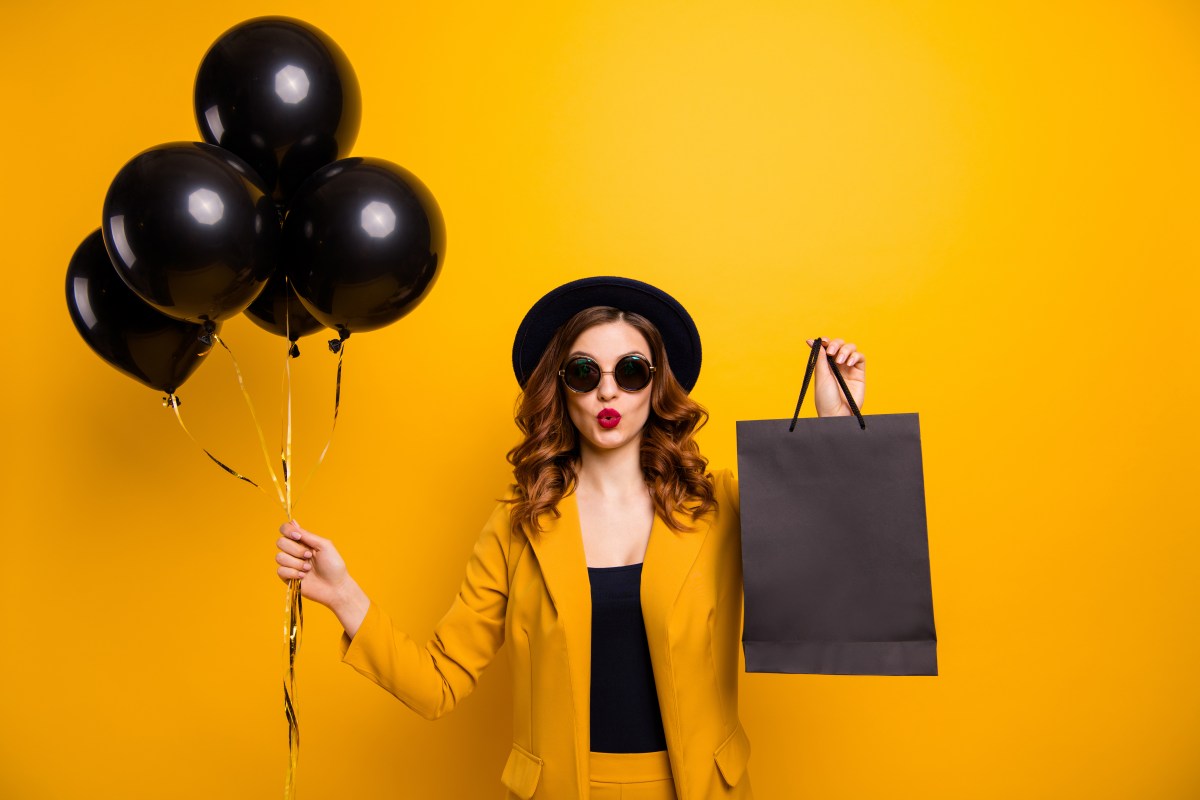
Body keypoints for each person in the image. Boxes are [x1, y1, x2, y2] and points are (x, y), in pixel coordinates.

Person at [274, 276, 866, 800]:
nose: (608, 392)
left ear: (656, 388)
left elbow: (828, 570)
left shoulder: (719, 504)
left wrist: (834, 427)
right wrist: (345, 596)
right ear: (561, 389)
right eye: (586, 373)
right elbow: (440, 683)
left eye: (630, 372)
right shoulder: (518, 523)